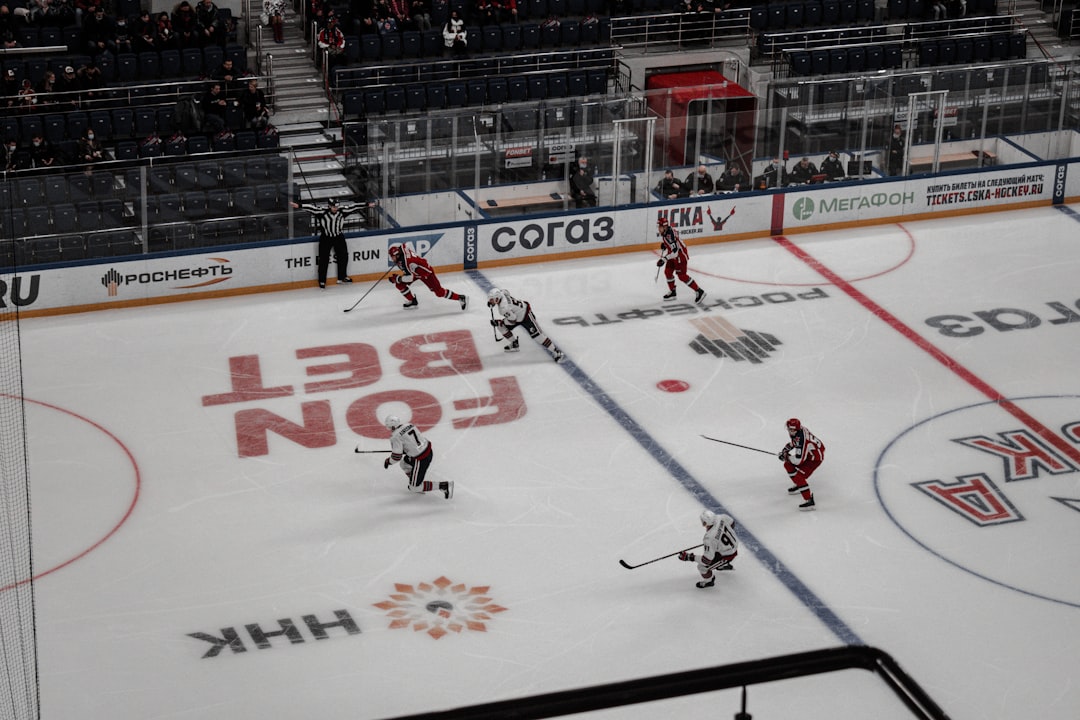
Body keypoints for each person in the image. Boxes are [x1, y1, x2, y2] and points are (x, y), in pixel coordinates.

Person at [290, 198, 366, 288]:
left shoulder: (342, 211)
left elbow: (354, 207)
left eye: (337, 206)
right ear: (329, 206)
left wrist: (367, 204)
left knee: (344, 256)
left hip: (338, 236)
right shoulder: (322, 212)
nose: (336, 208)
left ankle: (342, 277)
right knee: (323, 259)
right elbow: (311, 208)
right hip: (326, 238)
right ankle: (322, 280)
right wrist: (299, 205)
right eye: (334, 207)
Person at [382, 415, 453, 499]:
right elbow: (414, 441)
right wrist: (407, 449)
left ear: (392, 426)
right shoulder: (409, 425)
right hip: (428, 451)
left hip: (420, 459)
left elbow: (396, 457)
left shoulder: (395, 437)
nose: (389, 429)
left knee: (414, 488)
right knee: (404, 464)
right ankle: (416, 481)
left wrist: (388, 461)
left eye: (389, 427)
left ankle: (444, 486)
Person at [487, 287, 564, 363]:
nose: (490, 301)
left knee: (538, 336)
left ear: (497, 298)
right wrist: (501, 321)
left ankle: (557, 352)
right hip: (516, 314)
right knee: (500, 325)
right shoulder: (502, 293)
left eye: (491, 300)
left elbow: (513, 320)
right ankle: (514, 344)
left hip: (526, 315)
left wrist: (500, 321)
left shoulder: (503, 309)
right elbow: (506, 292)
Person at [387, 242, 469, 310]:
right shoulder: (402, 248)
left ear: (397, 255)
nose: (392, 259)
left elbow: (410, 277)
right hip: (416, 271)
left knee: (439, 293)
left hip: (426, 273)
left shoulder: (407, 263)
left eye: (392, 257)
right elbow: (406, 244)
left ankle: (461, 298)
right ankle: (413, 301)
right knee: (399, 285)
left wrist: (398, 278)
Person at [678, 510, 738, 588]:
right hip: (734, 545)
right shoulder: (720, 517)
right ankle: (721, 565)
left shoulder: (709, 538)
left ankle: (709, 581)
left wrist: (689, 557)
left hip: (728, 555)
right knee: (715, 551)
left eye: (703, 522)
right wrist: (720, 539)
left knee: (702, 567)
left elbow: (706, 560)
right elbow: (732, 523)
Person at [655, 216, 705, 303]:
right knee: (668, 271)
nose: (658, 228)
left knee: (682, 276)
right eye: (658, 226)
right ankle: (673, 292)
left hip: (680, 256)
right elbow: (672, 244)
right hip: (673, 255)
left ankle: (699, 291)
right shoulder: (667, 232)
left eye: (660, 226)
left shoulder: (669, 235)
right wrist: (665, 245)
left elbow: (676, 252)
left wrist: (664, 259)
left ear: (665, 226)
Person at [779, 417, 824, 511]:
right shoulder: (798, 431)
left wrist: (786, 457)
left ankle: (809, 501)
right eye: (788, 429)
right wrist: (785, 450)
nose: (789, 431)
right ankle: (799, 486)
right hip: (809, 454)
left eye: (790, 429)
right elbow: (795, 442)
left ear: (795, 429)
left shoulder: (803, 439)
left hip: (814, 459)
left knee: (799, 477)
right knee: (787, 465)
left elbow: (798, 460)